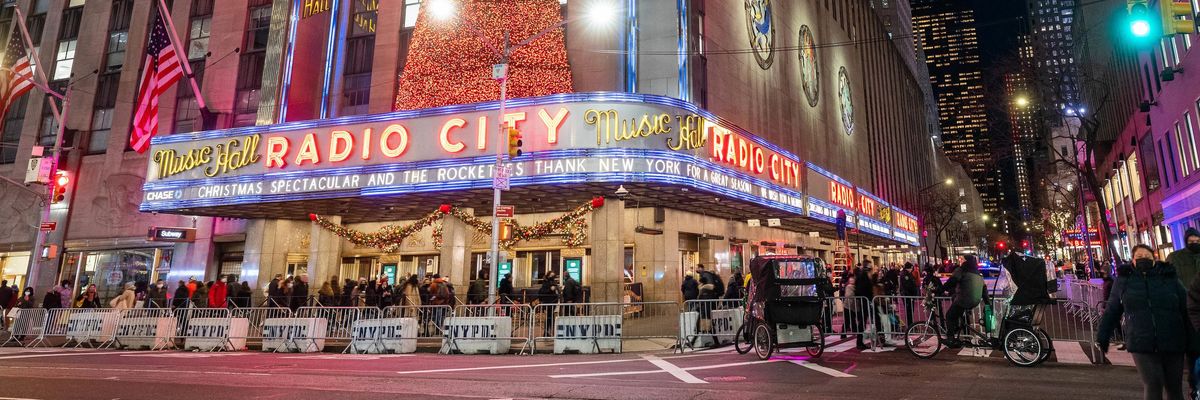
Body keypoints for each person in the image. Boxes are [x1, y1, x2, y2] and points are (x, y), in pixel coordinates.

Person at [1102, 244, 1193, 400]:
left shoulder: (1169, 277)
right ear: (1132, 261)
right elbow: (1112, 309)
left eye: (1147, 256)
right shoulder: (1124, 281)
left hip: (1172, 340)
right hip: (1141, 341)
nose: (1143, 259)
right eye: (1139, 257)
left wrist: (1193, 337)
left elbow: (1186, 307)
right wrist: (1103, 334)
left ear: (1154, 258)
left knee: (1175, 388)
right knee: (1153, 384)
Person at [940, 255, 985, 348]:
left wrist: (938, 290)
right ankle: (961, 333)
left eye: (961, 259)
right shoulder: (977, 273)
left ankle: (951, 339)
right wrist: (988, 303)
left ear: (966, 261)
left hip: (964, 299)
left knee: (949, 316)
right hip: (975, 301)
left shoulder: (961, 270)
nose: (960, 261)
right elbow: (984, 288)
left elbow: (952, 281)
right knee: (959, 315)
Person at [538, 272, 561, 336]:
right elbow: (543, 291)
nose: (553, 276)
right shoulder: (546, 282)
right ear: (548, 276)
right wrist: (550, 289)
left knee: (550, 317)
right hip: (548, 301)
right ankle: (547, 332)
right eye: (551, 275)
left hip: (553, 301)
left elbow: (556, 290)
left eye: (553, 275)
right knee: (549, 317)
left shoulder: (553, 282)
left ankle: (549, 332)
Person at [899, 262, 920, 329]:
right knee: (909, 311)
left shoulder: (907, 273)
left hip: (909, 295)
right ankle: (910, 326)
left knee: (910, 311)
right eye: (911, 268)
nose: (912, 269)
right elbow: (908, 286)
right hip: (908, 296)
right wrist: (911, 296)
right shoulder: (905, 274)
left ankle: (911, 325)